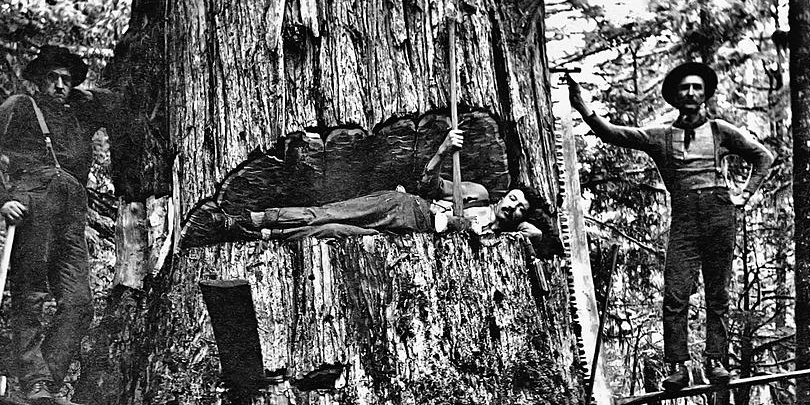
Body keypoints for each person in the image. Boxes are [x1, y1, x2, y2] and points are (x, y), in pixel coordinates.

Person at [567, 62, 773, 390]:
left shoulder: (721, 130)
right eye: (684, 88)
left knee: (717, 292)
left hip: (720, 215)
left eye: (697, 88)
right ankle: (678, 367)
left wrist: (744, 195)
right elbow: (615, 134)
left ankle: (716, 361)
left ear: (705, 94)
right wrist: (584, 108)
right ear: (675, 97)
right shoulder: (660, 136)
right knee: (676, 293)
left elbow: (763, 157)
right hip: (686, 220)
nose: (691, 93)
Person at [0, 45, 120, 405]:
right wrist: (1, 198)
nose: (58, 85)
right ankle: (34, 379)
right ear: (38, 81)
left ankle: (46, 382)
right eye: (51, 78)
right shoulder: (20, 107)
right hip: (33, 202)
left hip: (71, 209)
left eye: (66, 80)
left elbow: (118, 103)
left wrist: (86, 94)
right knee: (31, 293)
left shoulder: (79, 115)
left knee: (79, 303)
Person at [181, 130, 563, 258]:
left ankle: (260, 235)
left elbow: (538, 239)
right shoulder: (477, 195)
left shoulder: (500, 239)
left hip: (402, 242)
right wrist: (444, 150)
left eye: (520, 208)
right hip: (403, 208)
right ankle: (242, 221)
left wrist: (530, 233)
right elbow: (428, 186)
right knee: (325, 213)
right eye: (514, 197)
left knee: (331, 233)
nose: (513, 205)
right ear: (506, 194)